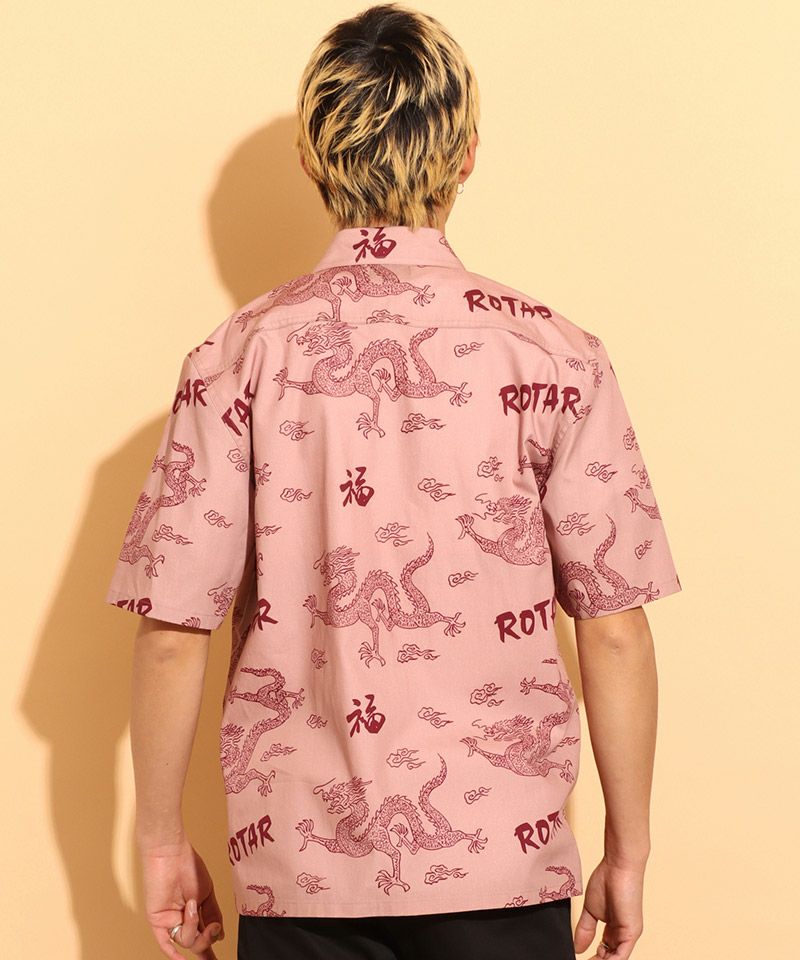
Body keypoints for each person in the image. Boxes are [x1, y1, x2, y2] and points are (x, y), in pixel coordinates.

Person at [104, 4, 682, 959]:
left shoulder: (234, 358)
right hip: (501, 871)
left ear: (311, 160)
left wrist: (161, 842)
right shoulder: (556, 355)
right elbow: (614, 629)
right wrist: (629, 848)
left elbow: (173, 632)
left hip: (301, 871)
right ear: (466, 156)